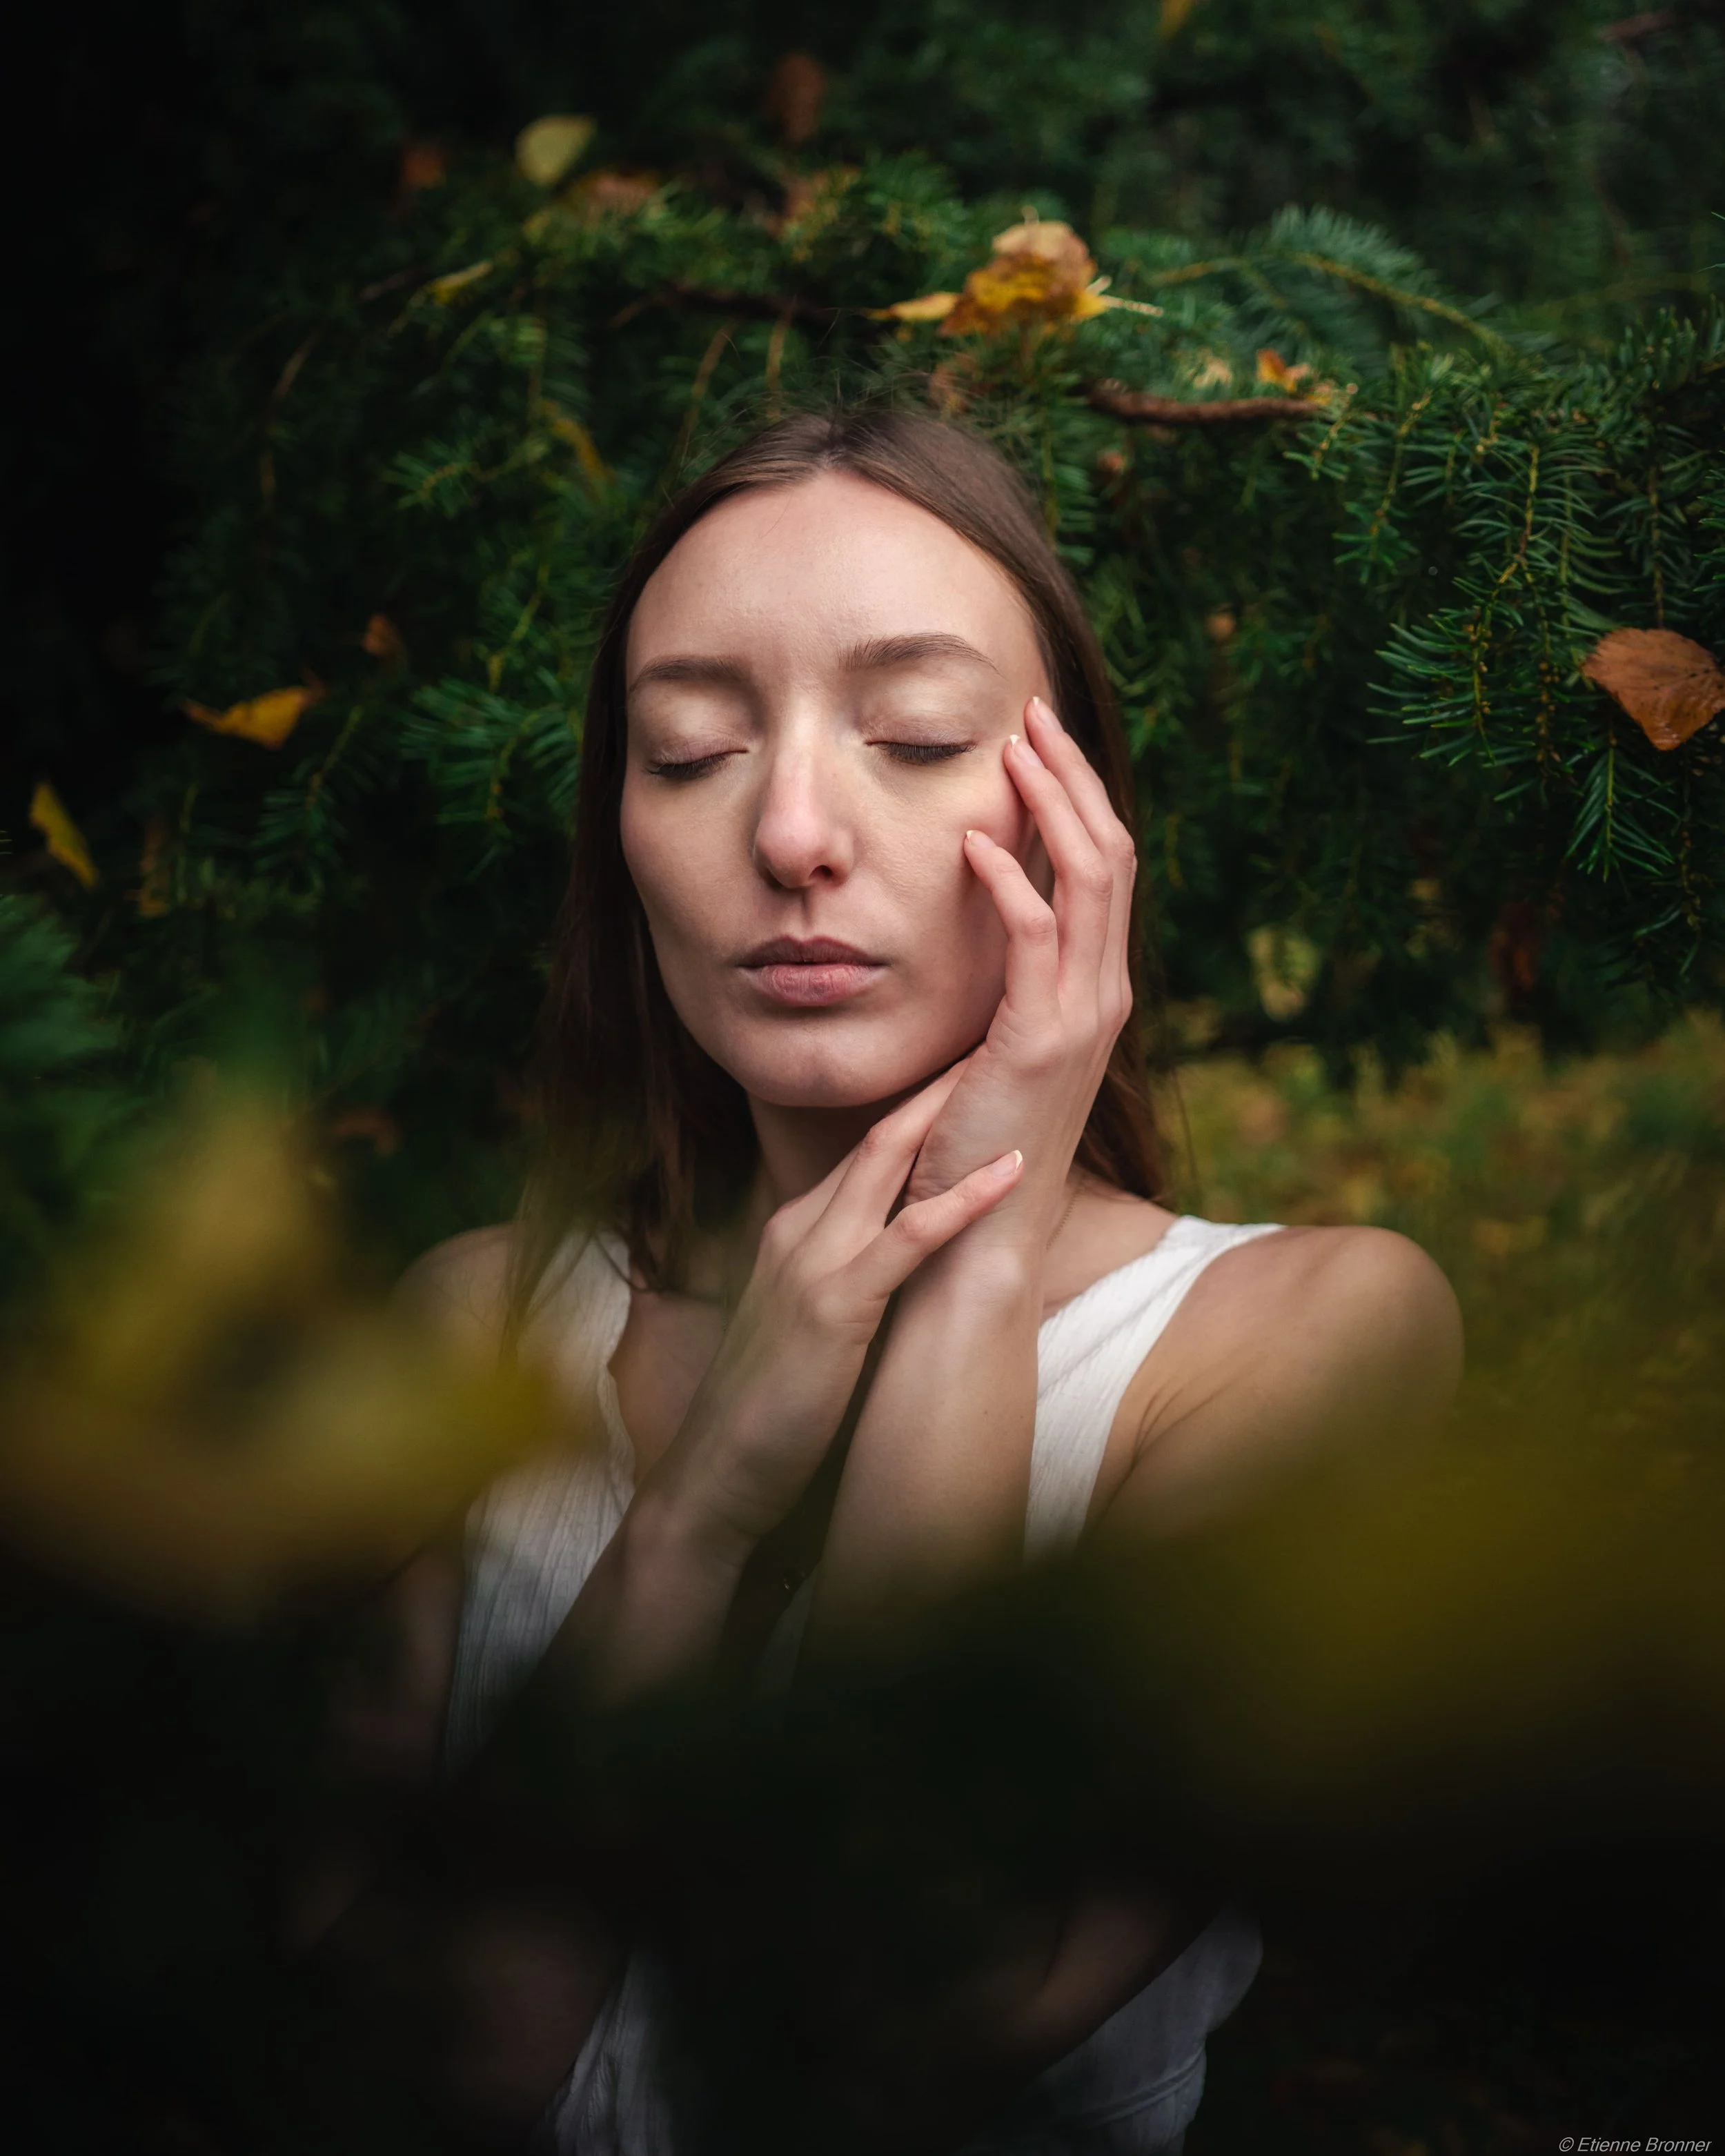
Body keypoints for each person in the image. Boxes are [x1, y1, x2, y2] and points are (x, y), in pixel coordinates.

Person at [364, 406, 1461, 2155]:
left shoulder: (1299, 1336)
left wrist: (969, 1264)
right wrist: (699, 1507)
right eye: (690, 748)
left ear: (1075, 818)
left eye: (917, 735)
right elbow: (427, 2063)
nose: (793, 829)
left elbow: (878, 2026)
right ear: (617, 824)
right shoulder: (473, 1328)